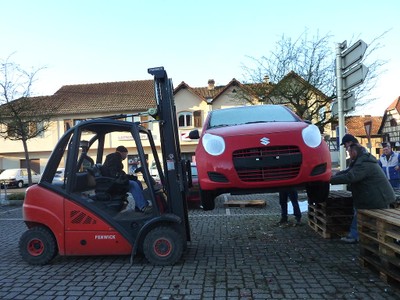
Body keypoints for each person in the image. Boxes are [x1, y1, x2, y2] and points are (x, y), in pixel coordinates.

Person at [330, 143, 395, 243]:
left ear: (354, 152)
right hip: (374, 195)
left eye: (349, 152)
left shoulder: (364, 164)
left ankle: (355, 236)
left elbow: (351, 177)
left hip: (378, 197)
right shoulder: (361, 161)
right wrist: (334, 175)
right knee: (359, 212)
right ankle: (357, 235)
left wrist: (330, 180)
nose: (348, 154)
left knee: (360, 213)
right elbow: (349, 172)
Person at [102, 146, 152, 213]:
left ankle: (138, 206)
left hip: (115, 181)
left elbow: (118, 172)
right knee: (133, 184)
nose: (126, 157)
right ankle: (143, 207)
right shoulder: (114, 157)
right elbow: (114, 173)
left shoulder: (115, 158)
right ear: (122, 153)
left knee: (138, 182)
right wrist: (127, 177)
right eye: (126, 154)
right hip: (114, 183)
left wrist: (129, 177)